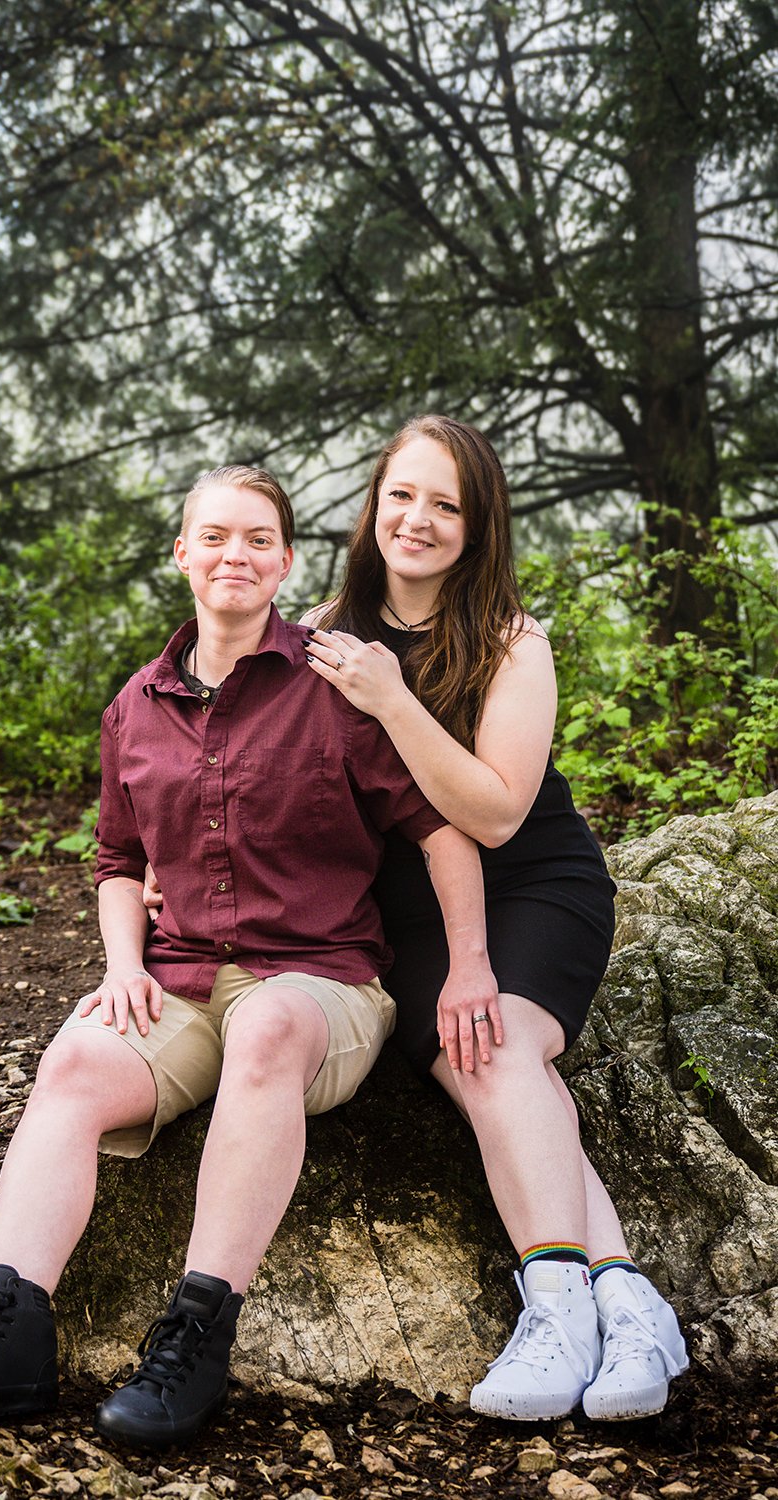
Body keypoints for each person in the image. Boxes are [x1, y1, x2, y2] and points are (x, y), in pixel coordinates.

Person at [0, 463, 462, 1450]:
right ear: (181, 553)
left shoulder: (335, 687)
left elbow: (442, 833)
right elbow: (117, 857)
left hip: (319, 983)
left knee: (270, 1024)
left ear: (283, 561)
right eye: (214, 536)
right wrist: (121, 966)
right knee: (70, 1062)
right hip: (182, 979)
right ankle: (10, 1335)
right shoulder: (133, 707)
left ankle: (195, 1331)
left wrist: (477, 966)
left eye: (257, 539)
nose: (234, 554)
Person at [301, 414, 688, 1422]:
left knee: (499, 1045)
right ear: (372, 503)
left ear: (477, 528)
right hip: (409, 916)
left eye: (445, 505)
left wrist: (391, 700)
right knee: (494, 1071)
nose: (417, 520)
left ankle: (552, 1309)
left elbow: (495, 808)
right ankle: (625, 1301)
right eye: (402, 495)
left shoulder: (512, 642)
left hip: (532, 887)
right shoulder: (317, 635)